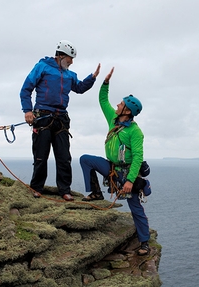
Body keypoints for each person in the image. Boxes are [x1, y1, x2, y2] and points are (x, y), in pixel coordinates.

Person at [79, 67, 151, 255]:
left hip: (127, 173)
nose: (117, 105)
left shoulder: (135, 132)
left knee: (135, 207)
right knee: (85, 160)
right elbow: (103, 100)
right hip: (112, 167)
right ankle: (95, 193)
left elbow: (138, 158)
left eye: (120, 104)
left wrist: (129, 181)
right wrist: (105, 83)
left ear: (127, 111)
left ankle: (144, 242)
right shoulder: (113, 119)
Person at [20, 40, 100, 201]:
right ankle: (36, 188)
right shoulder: (42, 67)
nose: (71, 62)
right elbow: (26, 89)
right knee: (40, 156)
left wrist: (92, 78)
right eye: (70, 58)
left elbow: (80, 88)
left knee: (64, 157)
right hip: (42, 116)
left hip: (61, 119)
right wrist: (27, 110)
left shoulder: (70, 75)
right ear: (61, 56)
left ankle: (64, 190)